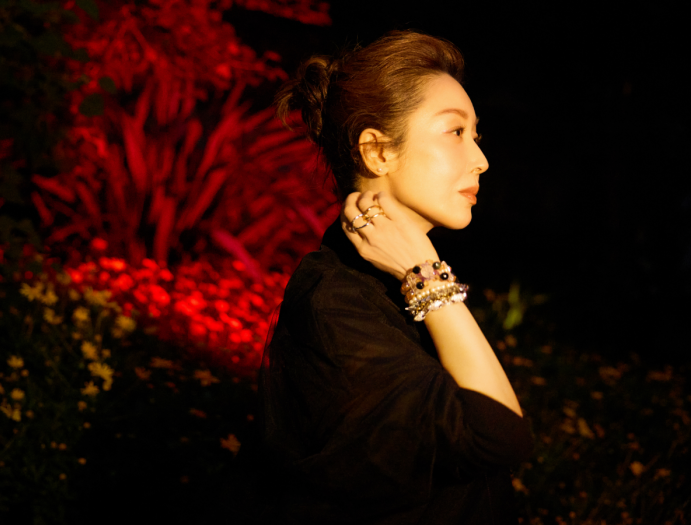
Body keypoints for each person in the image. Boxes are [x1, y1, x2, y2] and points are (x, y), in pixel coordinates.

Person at [219, 29, 533, 525]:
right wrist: (427, 277)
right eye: (455, 132)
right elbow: (499, 436)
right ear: (377, 152)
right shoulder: (335, 300)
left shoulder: (393, 281)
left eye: (475, 135)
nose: (481, 159)